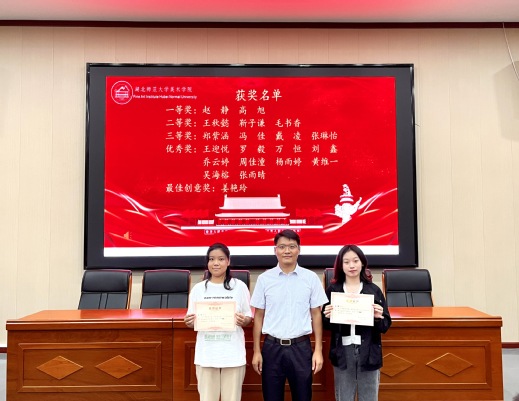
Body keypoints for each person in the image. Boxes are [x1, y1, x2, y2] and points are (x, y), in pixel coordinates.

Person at [250, 229, 328, 401]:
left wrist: (318, 350)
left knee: (303, 397)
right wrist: (256, 351)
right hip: (272, 348)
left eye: (292, 246)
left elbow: (316, 315)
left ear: (299, 249)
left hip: (301, 348)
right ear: (275, 250)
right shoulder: (264, 279)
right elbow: (258, 316)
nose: (287, 251)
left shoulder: (310, 278)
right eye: (282, 247)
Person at [322, 245, 391, 401]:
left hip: (368, 351)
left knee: (369, 397)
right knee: (344, 397)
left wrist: (378, 317)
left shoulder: (373, 290)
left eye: (355, 261)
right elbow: (325, 325)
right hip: (343, 352)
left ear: (362, 263)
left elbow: (385, 325)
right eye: (346, 262)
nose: (351, 266)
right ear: (340, 265)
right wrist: (327, 316)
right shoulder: (333, 290)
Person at [184, 243, 252, 401]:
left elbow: (248, 317)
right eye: (211, 259)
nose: (216, 263)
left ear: (228, 261)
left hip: (232, 354)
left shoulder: (239, 287)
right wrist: (189, 322)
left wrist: (244, 320)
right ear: (207, 262)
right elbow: (191, 320)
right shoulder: (199, 289)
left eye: (221, 259)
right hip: (207, 354)